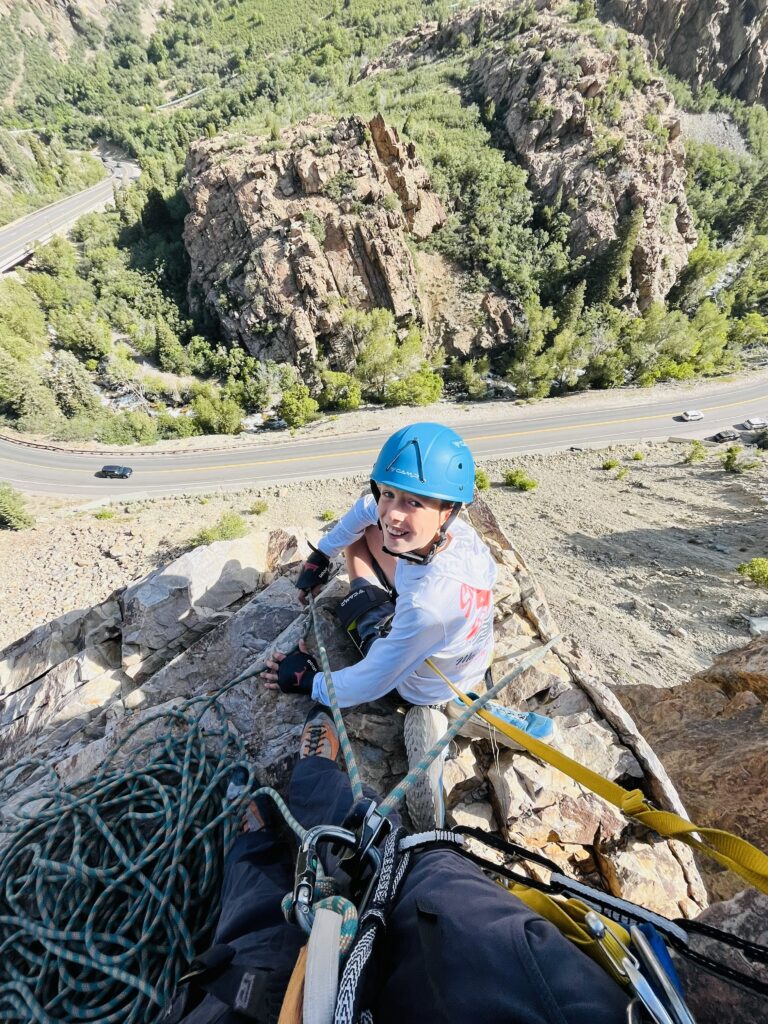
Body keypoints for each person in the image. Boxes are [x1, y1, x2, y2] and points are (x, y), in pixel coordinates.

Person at [166, 706, 630, 1024]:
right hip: (484, 958)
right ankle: (316, 782)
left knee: (247, 945)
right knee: (383, 854)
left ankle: (254, 845)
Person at [261, 422, 553, 826]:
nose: (393, 513)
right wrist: (320, 555)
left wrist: (308, 682)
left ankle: (435, 719)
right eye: (390, 493)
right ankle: (469, 707)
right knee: (362, 536)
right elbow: (367, 510)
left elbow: (370, 681)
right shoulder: (460, 538)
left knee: (361, 596)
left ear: (446, 510)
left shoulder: (428, 607)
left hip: (422, 677)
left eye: (414, 503)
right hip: (465, 655)